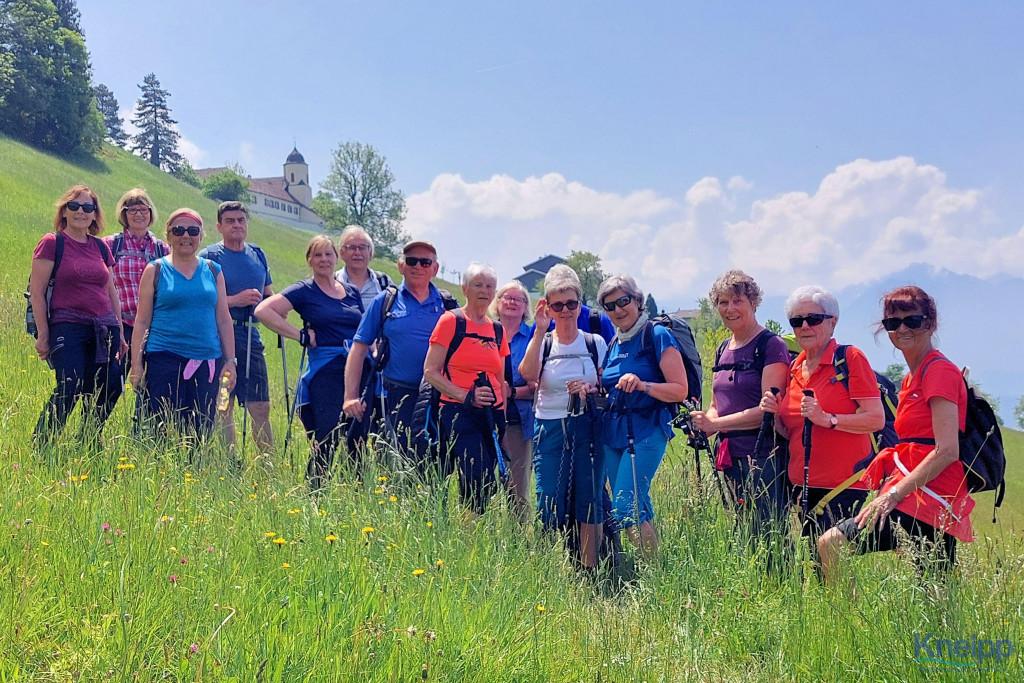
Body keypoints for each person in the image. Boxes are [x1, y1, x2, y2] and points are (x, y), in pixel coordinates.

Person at [818, 286, 972, 582]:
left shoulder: (938, 372)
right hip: (918, 494)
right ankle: (847, 623)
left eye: (911, 321)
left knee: (832, 543)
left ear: (930, 323)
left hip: (930, 496)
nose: (901, 329)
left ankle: (844, 621)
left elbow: (947, 450)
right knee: (934, 589)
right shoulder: (912, 376)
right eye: (892, 323)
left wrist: (891, 496)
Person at [760, 285, 884, 541]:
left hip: (843, 483)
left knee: (828, 555)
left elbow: (875, 418)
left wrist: (828, 419)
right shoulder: (795, 367)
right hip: (802, 485)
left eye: (814, 319)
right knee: (814, 564)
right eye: (797, 321)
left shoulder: (850, 358)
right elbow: (791, 429)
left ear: (833, 322)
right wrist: (773, 416)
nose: (805, 326)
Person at [256, 235, 364, 490]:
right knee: (326, 435)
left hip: (359, 368)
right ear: (309, 260)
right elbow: (263, 311)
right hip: (326, 369)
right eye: (318, 255)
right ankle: (315, 495)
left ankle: (359, 498)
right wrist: (300, 335)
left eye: (328, 254)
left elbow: (362, 329)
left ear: (336, 257)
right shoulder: (305, 290)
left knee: (357, 437)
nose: (324, 260)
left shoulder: (352, 292)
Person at [519, 266, 608, 568]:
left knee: (589, 496)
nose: (566, 310)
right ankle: (545, 569)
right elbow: (527, 375)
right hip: (550, 426)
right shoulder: (544, 342)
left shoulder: (594, 343)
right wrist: (541, 329)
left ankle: (589, 568)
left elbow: (607, 385)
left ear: (580, 304)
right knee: (548, 498)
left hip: (587, 426)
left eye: (571, 303)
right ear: (548, 306)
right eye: (558, 305)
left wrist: (590, 387)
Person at [690, 270, 790, 540]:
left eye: (737, 301)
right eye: (723, 302)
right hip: (731, 457)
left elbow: (767, 411)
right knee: (746, 533)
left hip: (765, 456)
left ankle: (778, 582)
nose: (729, 309)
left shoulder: (771, 345)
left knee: (770, 535)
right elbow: (716, 404)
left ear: (753, 303)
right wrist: (704, 424)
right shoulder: (724, 348)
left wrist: (716, 424)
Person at [598, 275, 687, 558]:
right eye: (610, 306)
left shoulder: (656, 336)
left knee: (625, 505)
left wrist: (643, 384)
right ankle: (654, 569)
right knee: (637, 504)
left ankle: (652, 570)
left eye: (624, 301)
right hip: (613, 433)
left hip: (647, 430)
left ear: (638, 301)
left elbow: (680, 390)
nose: (618, 310)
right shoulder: (614, 343)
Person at [30, 185, 127, 442]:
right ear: (64, 211)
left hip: (104, 327)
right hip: (67, 325)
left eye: (87, 208)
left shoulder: (100, 247)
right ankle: (43, 442)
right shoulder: (52, 243)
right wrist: (43, 334)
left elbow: (111, 291)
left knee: (112, 385)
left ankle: (88, 437)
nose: (81, 212)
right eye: (74, 206)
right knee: (71, 384)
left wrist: (120, 331)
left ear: (95, 215)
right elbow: (37, 292)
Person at [129, 209, 235, 440]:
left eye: (192, 230)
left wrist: (230, 361)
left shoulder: (213, 270)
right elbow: (142, 321)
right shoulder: (155, 270)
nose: (185, 236)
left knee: (200, 432)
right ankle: (163, 475)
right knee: (162, 429)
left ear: (200, 236)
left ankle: (192, 474)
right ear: (168, 235)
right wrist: (136, 364)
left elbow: (224, 319)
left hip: (207, 360)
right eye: (178, 230)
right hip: (164, 358)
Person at [343, 240, 454, 451]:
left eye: (425, 262)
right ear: (400, 265)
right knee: (400, 461)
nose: (418, 267)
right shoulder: (385, 301)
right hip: (397, 395)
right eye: (412, 261)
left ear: (435, 269)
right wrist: (350, 396)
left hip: (440, 395)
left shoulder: (447, 304)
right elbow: (358, 349)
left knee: (438, 462)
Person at [423, 263, 511, 515]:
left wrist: (501, 420)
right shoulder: (451, 321)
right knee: (473, 473)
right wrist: (465, 396)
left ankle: (470, 532)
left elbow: (499, 378)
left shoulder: (496, 329)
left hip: (490, 414)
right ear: (465, 288)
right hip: (456, 412)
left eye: (489, 286)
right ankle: (463, 534)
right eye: (478, 285)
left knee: (485, 480)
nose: (484, 291)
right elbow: (430, 371)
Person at [199, 201, 273, 455]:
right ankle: (228, 461)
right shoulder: (209, 257)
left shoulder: (258, 255)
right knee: (223, 403)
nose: (237, 225)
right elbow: (200, 299)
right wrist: (235, 300)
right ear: (219, 226)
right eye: (230, 221)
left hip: (252, 334)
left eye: (241, 220)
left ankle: (268, 465)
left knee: (261, 404)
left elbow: (268, 294)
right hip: (220, 335)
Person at [104, 188, 168, 374]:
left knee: (151, 386)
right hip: (119, 326)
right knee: (111, 384)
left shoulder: (162, 249)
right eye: (132, 210)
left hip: (154, 327)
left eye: (143, 209)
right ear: (124, 214)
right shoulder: (110, 245)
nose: (139, 214)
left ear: (151, 213)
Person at [491, 280, 536, 519]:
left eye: (518, 299)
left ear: (525, 307)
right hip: (485, 419)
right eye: (506, 297)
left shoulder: (533, 338)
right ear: (497, 304)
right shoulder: (485, 332)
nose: (511, 302)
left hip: (519, 421)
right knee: (485, 483)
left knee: (518, 486)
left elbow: (540, 385)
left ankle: (519, 540)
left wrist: (513, 393)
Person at [334, 225, 393, 310]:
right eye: (352, 247)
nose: (357, 253)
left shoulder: (384, 282)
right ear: (342, 253)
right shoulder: (332, 281)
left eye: (362, 247)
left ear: (370, 252)